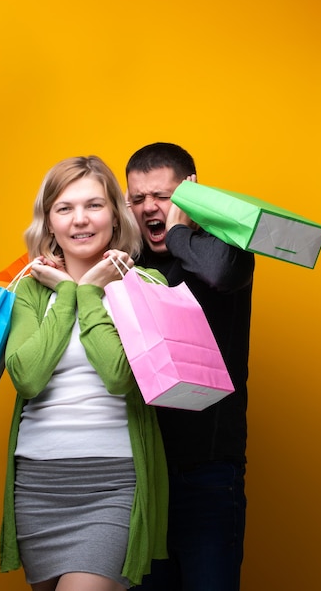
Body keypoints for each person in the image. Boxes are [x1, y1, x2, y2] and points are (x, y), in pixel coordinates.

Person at [0, 156, 169, 591]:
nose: (80, 220)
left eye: (94, 205)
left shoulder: (145, 285)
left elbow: (117, 376)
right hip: (37, 486)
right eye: (64, 208)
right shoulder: (29, 290)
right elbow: (28, 378)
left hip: (113, 484)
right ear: (49, 222)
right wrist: (65, 295)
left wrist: (88, 293)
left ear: (115, 214)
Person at [125, 142, 255, 591]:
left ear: (189, 192)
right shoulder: (128, 260)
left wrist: (180, 230)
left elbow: (222, 275)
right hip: (142, 476)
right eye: (137, 199)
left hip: (207, 474)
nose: (149, 208)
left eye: (161, 195)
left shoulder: (224, 247)